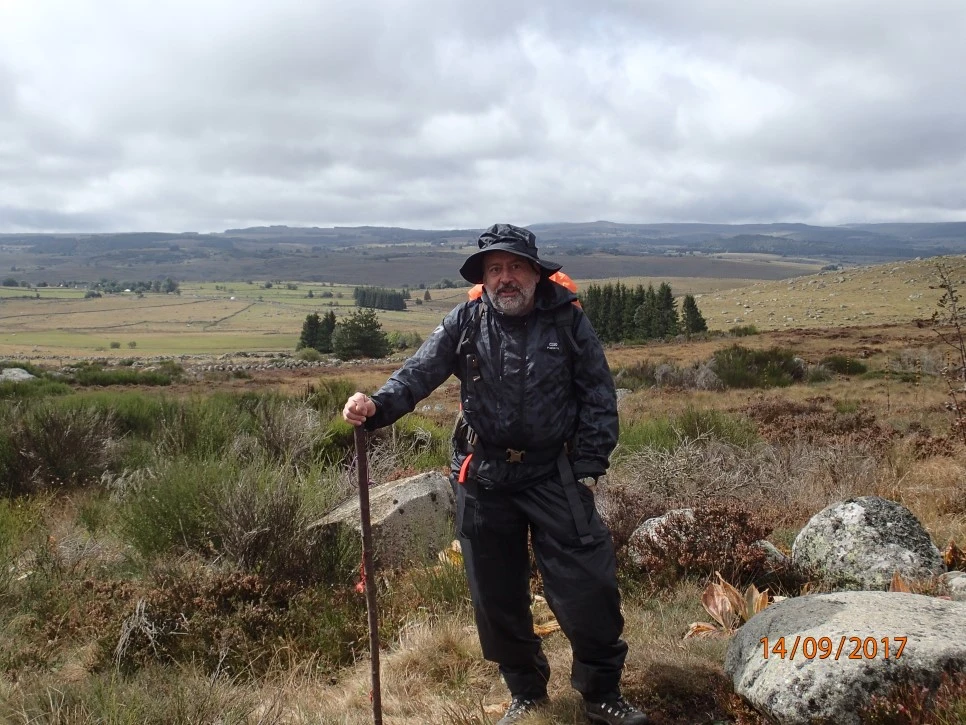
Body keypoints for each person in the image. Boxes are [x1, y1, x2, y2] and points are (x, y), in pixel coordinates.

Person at [343, 223, 649, 724]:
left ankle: (601, 694)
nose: (506, 278)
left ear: (535, 272)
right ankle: (526, 692)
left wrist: (588, 468)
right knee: (495, 596)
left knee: (588, 588)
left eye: (515, 267)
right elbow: (418, 373)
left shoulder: (568, 321)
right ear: (484, 278)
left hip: (554, 473)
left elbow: (599, 394)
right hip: (484, 475)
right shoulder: (465, 320)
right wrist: (375, 406)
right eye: (495, 269)